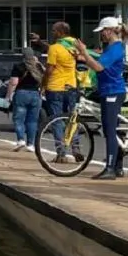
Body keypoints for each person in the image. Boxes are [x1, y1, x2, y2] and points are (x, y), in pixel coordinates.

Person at [75, 17, 128, 180]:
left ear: (109, 30)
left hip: (112, 91)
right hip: (108, 90)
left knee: (110, 130)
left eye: (102, 32)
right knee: (113, 130)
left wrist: (84, 51)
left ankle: (110, 168)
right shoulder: (111, 48)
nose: (101, 36)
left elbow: (99, 67)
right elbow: (100, 63)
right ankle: (118, 166)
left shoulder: (115, 48)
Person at [43, 22, 81, 164]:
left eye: (54, 30)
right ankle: (76, 147)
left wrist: (43, 83)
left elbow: (50, 69)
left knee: (57, 120)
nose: (52, 32)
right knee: (72, 118)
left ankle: (61, 153)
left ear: (60, 32)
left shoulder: (55, 48)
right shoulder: (74, 46)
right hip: (71, 86)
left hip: (55, 87)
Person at [5, 47, 44, 152]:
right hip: (36, 94)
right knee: (32, 121)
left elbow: (13, 82)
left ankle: (21, 140)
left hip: (21, 93)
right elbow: (44, 80)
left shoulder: (18, 66)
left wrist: (8, 96)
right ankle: (31, 144)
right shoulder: (39, 66)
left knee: (19, 119)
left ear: (23, 56)